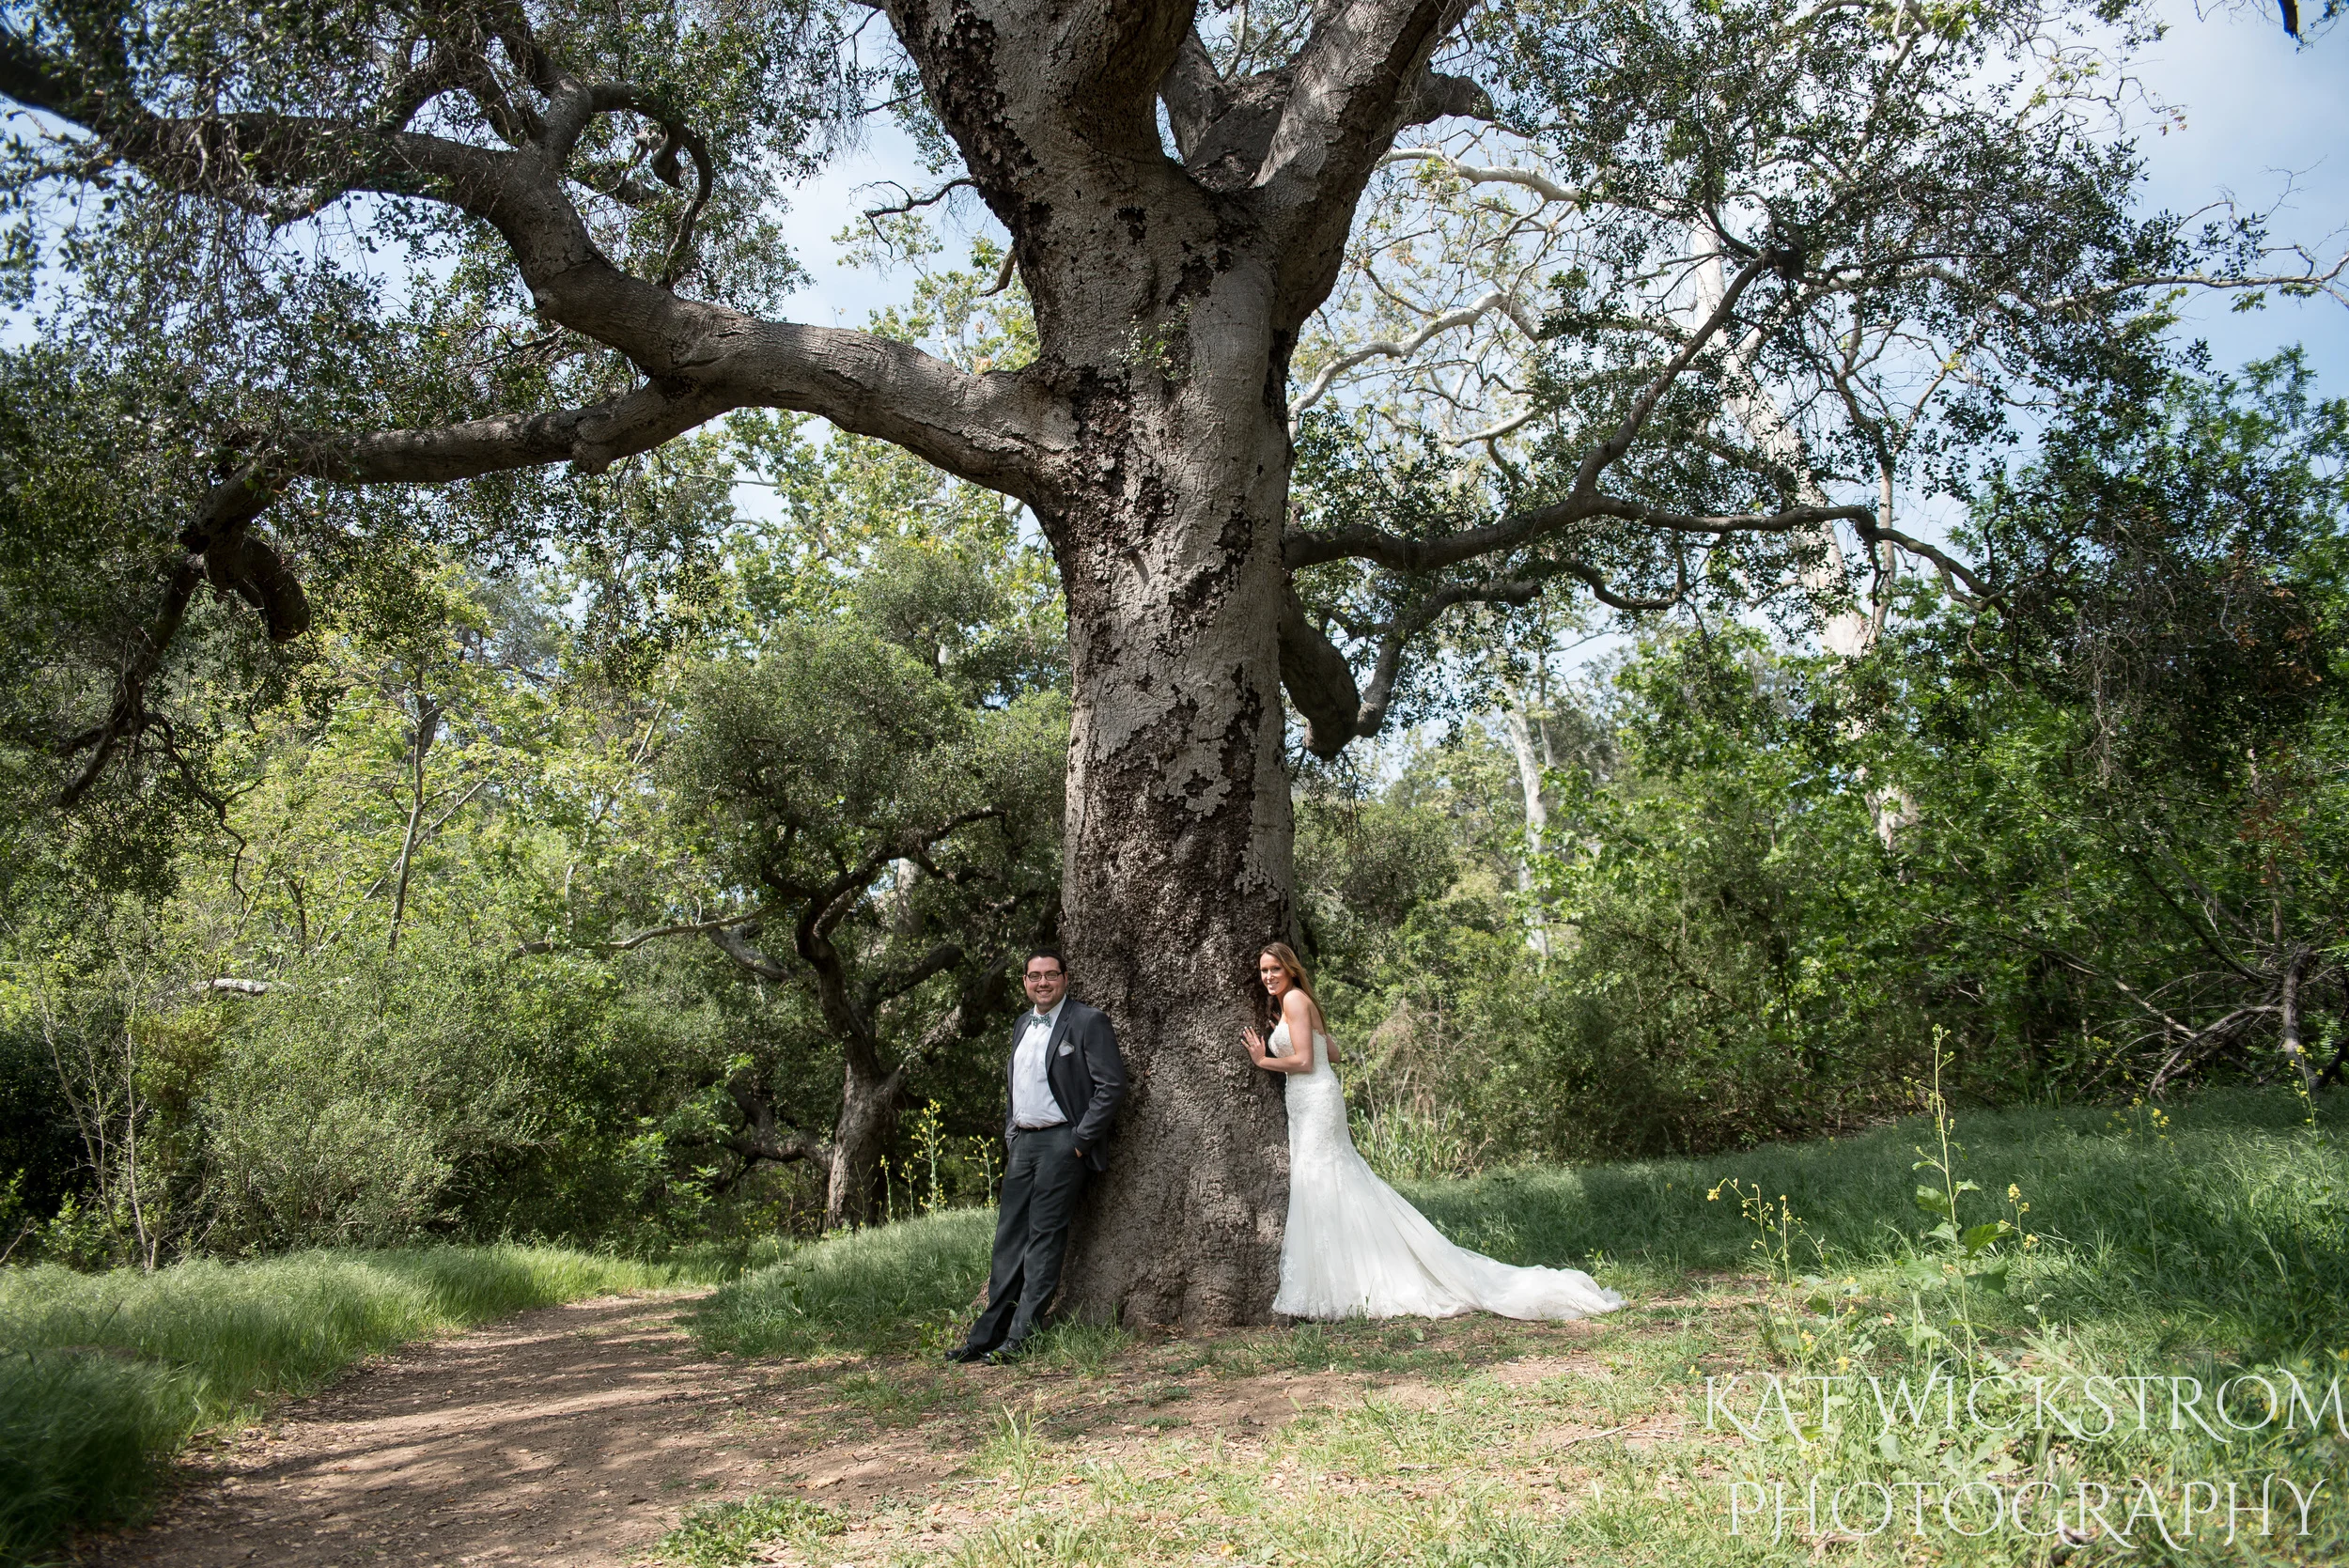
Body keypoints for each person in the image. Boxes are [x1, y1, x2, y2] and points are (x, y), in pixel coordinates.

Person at [1241, 941, 1624, 1322]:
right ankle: (1350, 1273)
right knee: (1331, 1180)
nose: (1268, 976)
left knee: (1324, 1179)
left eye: (1275, 969)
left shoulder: (1294, 1000)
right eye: (1263, 971)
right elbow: (1333, 1053)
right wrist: (1287, 1035)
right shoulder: (1294, 1003)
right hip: (1311, 1101)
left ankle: (1349, 1280)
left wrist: (1264, 1059)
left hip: (1314, 1099)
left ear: (1290, 969)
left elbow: (1307, 1062)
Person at [949, 947, 1126, 1363]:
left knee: (1044, 1239)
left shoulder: (1087, 1021)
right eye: (1034, 976)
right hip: (1023, 1144)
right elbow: (1016, 1085)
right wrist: (1012, 1134)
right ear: (1025, 982)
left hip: (1062, 1143)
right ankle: (985, 1337)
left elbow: (1112, 1085)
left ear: (1065, 979)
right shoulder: (1021, 1024)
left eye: (1050, 975)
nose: (1042, 982)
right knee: (1009, 1240)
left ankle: (1021, 1337)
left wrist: (1079, 1140)